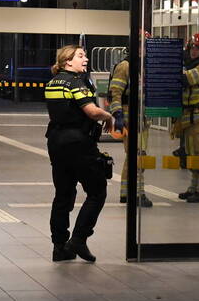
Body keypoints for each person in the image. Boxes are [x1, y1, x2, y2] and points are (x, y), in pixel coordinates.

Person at [45, 44, 114, 262]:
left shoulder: (52, 82)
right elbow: (91, 111)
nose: (85, 59)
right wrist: (109, 116)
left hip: (56, 143)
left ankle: (59, 247)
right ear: (68, 61)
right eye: (80, 56)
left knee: (63, 195)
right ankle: (78, 240)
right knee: (97, 191)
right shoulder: (75, 82)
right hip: (78, 144)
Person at [108, 44, 152, 208]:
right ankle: (137, 193)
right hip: (129, 116)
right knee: (137, 155)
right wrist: (118, 115)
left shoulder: (144, 67)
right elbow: (115, 92)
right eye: (140, 46)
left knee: (136, 155)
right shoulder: (125, 66)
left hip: (142, 117)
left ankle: (127, 193)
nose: (143, 50)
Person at [175, 33, 199, 203]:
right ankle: (193, 188)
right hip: (190, 118)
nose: (194, 51)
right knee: (191, 154)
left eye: (198, 49)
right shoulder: (191, 66)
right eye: (192, 48)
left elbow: (185, 80)